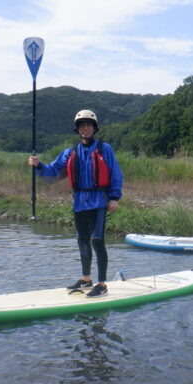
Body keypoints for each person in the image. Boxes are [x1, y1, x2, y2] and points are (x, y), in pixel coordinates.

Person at [28, 109, 123, 297]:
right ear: (78, 129)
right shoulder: (70, 152)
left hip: (99, 201)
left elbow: (116, 175)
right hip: (79, 202)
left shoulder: (105, 149)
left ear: (94, 128)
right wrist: (38, 165)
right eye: (82, 125)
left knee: (97, 240)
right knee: (82, 241)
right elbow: (53, 172)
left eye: (88, 125)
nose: (85, 128)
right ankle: (86, 279)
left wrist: (114, 198)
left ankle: (102, 284)